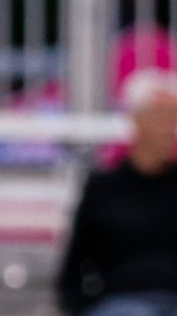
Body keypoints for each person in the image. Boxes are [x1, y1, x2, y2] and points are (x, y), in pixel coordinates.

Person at [57, 69, 177, 316]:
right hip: (120, 304)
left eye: (174, 119)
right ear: (137, 120)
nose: (170, 129)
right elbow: (72, 271)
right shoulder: (103, 188)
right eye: (162, 117)